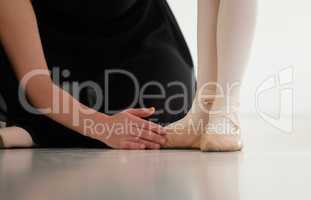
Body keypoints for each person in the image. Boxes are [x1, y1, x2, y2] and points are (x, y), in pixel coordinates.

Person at [0, 0, 257, 151]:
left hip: (143, 67)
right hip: (63, 83)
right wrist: (101, 126)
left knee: (153, 108)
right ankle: (39, 129)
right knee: (37, 103)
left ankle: (218, 108)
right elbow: (37, 85)